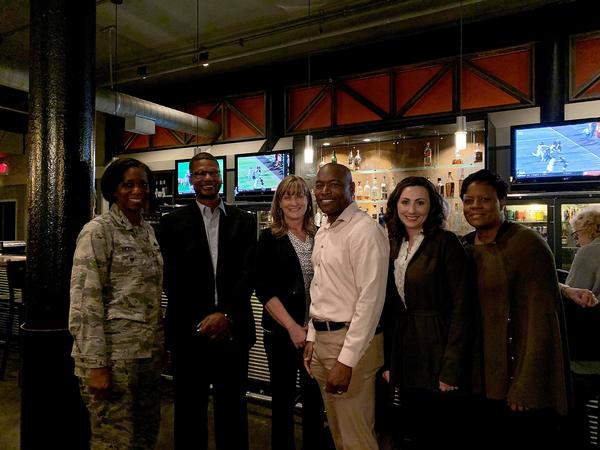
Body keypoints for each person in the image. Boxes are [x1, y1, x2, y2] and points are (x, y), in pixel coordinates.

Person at [460, 169, 570, 448]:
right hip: (477, 373)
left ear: (502, 202)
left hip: (515, 375)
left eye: (484, 199)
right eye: (468, 200)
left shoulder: (527, 243)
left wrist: (526, 383)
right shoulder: (465, 245)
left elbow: (542, 319)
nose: (475, 207)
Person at [159, 152, 257, 450]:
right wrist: (204, 319)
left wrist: (225, 314)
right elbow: (171, 278)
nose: (207, 179)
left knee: (233, 411)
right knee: (189, 411)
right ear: (191, 180)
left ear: (220, 176)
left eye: (212, 173)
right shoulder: (171, 223)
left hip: (233, 331)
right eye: (200, 174)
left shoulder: (245, 220)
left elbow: (248, 273)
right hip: (190, 332)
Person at [69, 158, 164, 449]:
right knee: (114, 440)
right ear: (113, 190)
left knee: (146, 436)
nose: (138, 190)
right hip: (113, 358)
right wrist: (96, 366)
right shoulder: (98, 231)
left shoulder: (146, 231)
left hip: (147, 355)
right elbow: (85, 303)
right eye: (129, 184)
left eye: (143, 184)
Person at [381, 176, 474, 448]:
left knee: (439, 431)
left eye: (420, 203)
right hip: (406, 349)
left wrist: (451, 369)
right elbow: (390, 308)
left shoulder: (446, 242)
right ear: (395, 205)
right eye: (406, 202)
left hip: (437, 347)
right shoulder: (394, 243)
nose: (412, 210)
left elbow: (462, 308)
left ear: (432, 206)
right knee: (413, 427)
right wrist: (390, 363)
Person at [303, 163, 389, 450]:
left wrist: (346, 360)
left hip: (351, 345)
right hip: (324, 342)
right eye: (319, 185)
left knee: (357, 439)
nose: (325, 191)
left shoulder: (365, 231)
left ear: (352, 189)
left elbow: (371, 301)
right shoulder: (325, 229)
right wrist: (313, 337)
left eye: (335, 184)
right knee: (339, 434)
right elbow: (321, 288)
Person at [255, 175, 329, 450]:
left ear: (309, 201)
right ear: (279, 202)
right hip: (282, 333)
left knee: (314, 401)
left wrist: (311, 328)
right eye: (288, 196)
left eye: (300, 196)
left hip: (316, 333)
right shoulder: (269, 238)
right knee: (283, 402)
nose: (294, 201)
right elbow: (263, 289)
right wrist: (293, 327)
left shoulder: (320, 235)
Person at [565, 208, 600, 448]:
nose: (576, 241)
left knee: (574, 409)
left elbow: (573, 295)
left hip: (589, 353)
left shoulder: (589, 252)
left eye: (576, 235)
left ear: (589, 230)